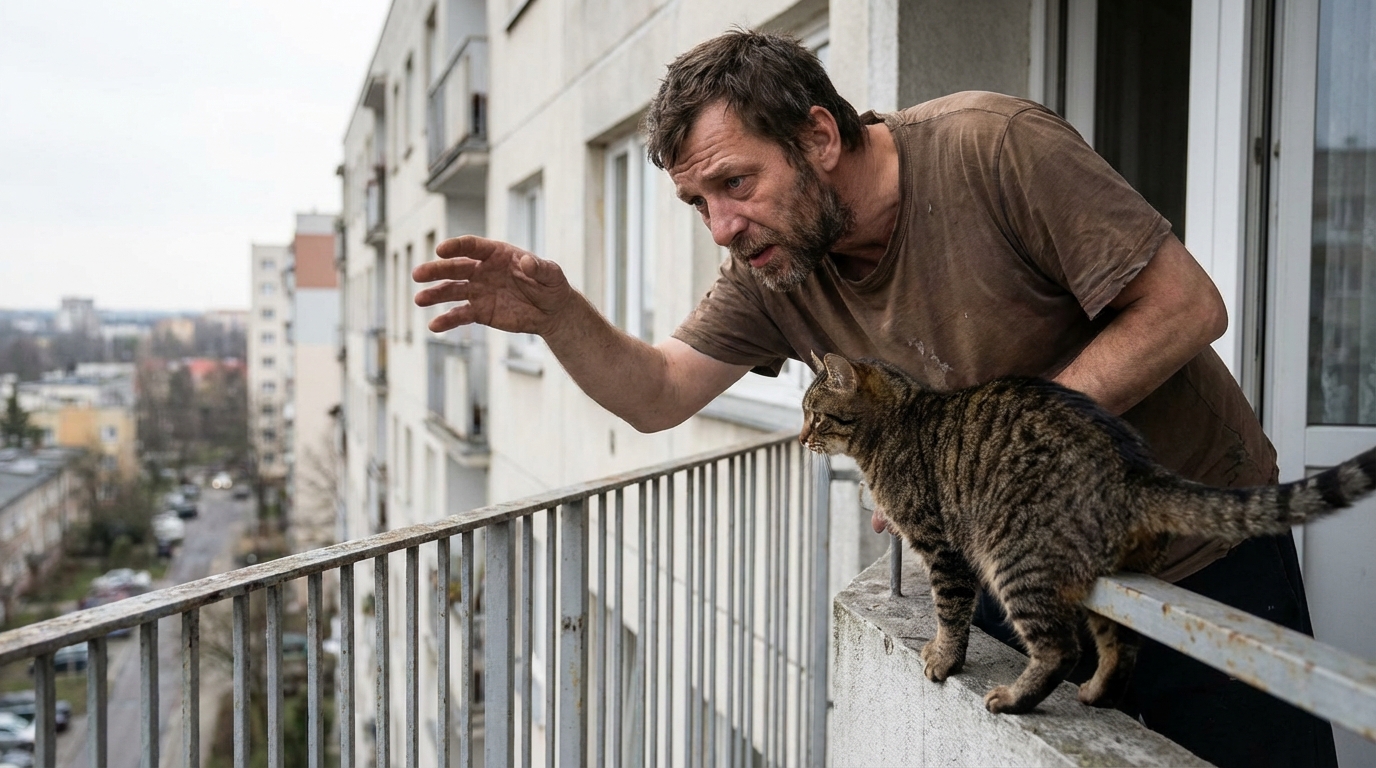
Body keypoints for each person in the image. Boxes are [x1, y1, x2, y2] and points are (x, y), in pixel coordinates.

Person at [414, 29, 1336, 767]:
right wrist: (561, 317)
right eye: (699, 203)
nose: (724, 227)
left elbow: (1186, 305)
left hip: (1196, 562)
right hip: (1012, 589)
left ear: (819, 136)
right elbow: (657, 394)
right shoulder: (773, 264)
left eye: (736, 184)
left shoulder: (994, 147)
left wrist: (1014, 464)